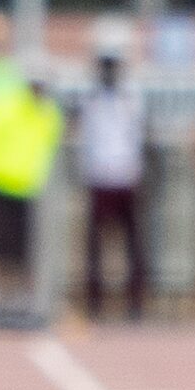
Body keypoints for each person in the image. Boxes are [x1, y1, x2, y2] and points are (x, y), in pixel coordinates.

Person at [0, 24, 63, 330]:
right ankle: (0, 303)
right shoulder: (3, 105)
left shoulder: (48, 112)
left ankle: (20, 304)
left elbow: (44, 149)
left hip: (25, 189)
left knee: (22, 252)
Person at [77, 47, 149, 320]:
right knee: (95, 245)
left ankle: (135, 303)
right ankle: (95, 303)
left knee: (133, 244)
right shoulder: (90, 97)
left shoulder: (131, 96)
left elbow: (138, 134)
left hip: (126, 176)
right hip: (99, 177)